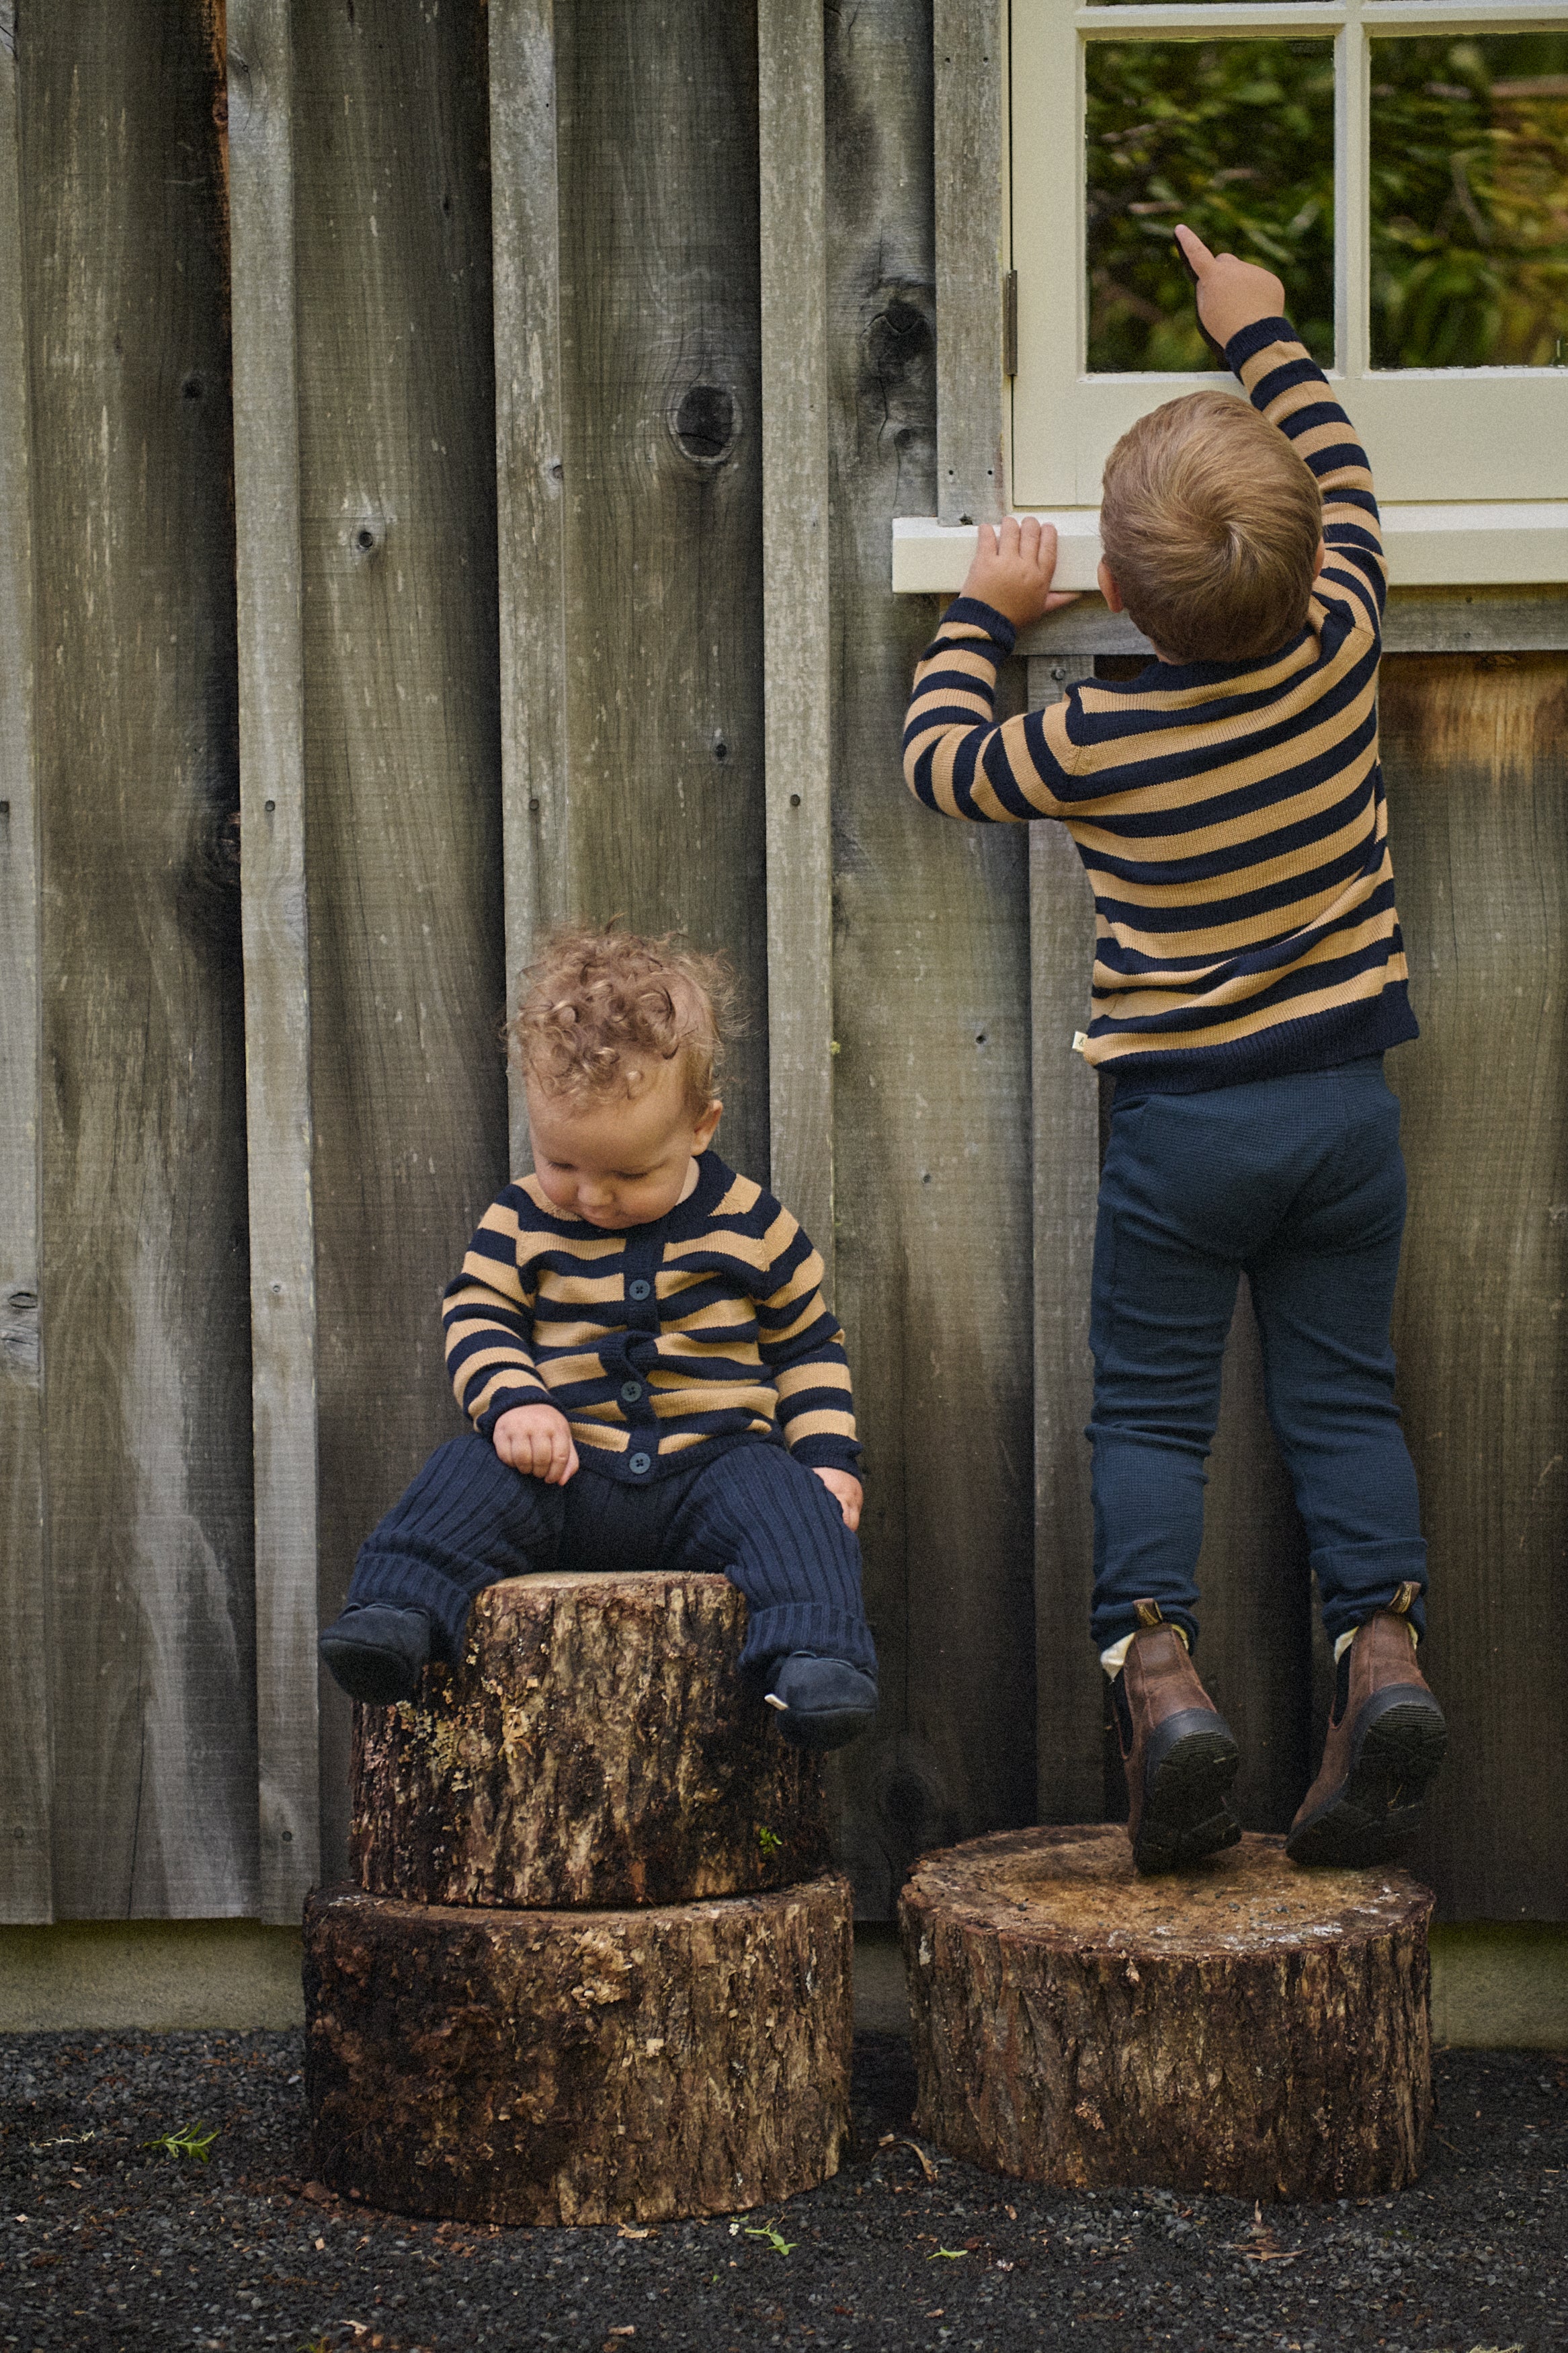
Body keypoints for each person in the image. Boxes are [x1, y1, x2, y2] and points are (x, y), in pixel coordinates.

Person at [901, 225, 1446, 1872]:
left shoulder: (1092, 736)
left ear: (1118, 594)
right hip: (1346, 1108)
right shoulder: (1341, 644)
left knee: (1148, 1415)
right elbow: (1340, 472)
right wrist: (1260, 330)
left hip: (1181, 1129)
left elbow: (941, 766)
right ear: (1299, 568)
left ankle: (1162, 1679)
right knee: (1342, 1400)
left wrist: (985, 615)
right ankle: (1384, 1654)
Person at [318, 927, 878, 1753]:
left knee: (794, 1512)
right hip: (561, 1468)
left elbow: (807, 1345)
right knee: (462, 1475)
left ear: (699, 1127)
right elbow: (477, 1312)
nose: (593, 1197)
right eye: (563, 1163)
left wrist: (828, 1455)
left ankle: (814, 1658)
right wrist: (512, 1399)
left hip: (712, 1469)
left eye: (629, 1174)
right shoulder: (520, 1217)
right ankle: (395, 1611)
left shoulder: (755, 1224)